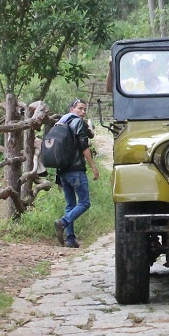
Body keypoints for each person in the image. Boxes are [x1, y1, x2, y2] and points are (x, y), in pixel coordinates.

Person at [54, 99, 99, 249]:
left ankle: (71, 239)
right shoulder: (78, 122)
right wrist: (93, 166)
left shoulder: (60, 122)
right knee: (84, 202)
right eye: (80, 108)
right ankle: (63, 222)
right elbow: (83, 146)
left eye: (85, 109)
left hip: (62, 171)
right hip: (76, 169)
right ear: (72, 108)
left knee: (70, 204)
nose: (83, 112)